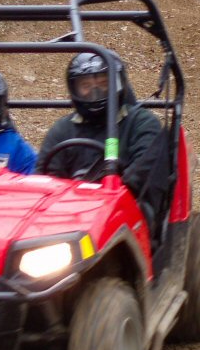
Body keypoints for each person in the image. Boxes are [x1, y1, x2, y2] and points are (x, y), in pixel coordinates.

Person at [37, 53, 168, 234]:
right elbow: (46, 177)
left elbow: (145, 171)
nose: (95, 92)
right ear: (74, 89)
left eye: (104, 84)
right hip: (70, 215)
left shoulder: (142, 122)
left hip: (127, 210)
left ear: (118, 84)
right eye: (86, 86)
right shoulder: (62, 129)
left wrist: (106, 197)